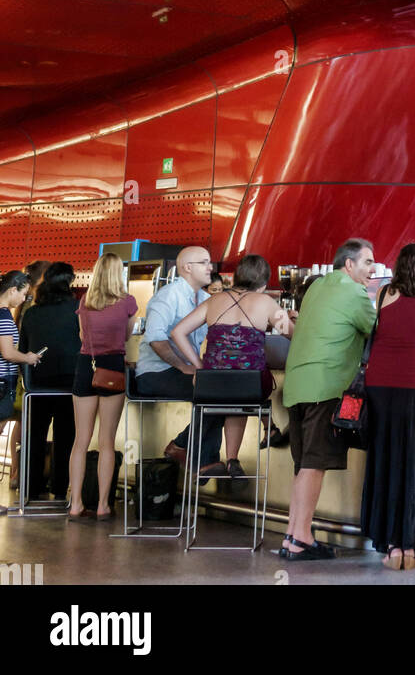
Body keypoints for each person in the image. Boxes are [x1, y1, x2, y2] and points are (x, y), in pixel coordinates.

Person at [279, 238, 376, 561]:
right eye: (366, 262)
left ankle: (292, 534)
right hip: (325, 386)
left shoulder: (316, 288)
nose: (371, 269)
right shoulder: (355, 292)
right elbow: (376, 330)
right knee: (314, 464)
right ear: (349, 265)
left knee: (303, 465)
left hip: (296, 386)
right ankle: (301, 538)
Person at [361, 243, 415, 570]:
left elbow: (380, 330)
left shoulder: (383, 292)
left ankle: (390, 544)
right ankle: (414, 543)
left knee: (386, 460)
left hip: (379, 386)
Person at [170, 253, 290, 478]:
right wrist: (290, 318)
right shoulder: (265, 302)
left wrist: (198, 365)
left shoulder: (214, 300)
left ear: (236, 276)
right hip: (250, 386)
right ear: (263, 283)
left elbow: (177, 332)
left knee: (232, 393)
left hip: (213, 385)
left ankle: (232, 459)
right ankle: (262, 435)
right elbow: (295, 335)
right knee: (242, 390)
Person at [136, 246, 225, 473]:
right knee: (215, 393)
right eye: (204, 262)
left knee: (223, 393)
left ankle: (191, 452)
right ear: (187, 268)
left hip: (183, 371)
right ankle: (196, 455)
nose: (210, 267)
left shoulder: (207, 299)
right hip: (154, 373)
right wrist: (183, 366)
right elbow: (155, 338)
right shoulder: (167, 296)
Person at [68, 253, 137, 520]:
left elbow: (82, 336)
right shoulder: (128, 302)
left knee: (80, 441)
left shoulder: (85, 301)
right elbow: (128, 335)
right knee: (106, 440)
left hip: (86, 366)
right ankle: (103, 505)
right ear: (118, 273)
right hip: (113, 367)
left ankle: (75, 504)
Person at [18, 262, 80, 502]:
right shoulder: (77, 309)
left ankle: (30, 488)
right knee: (66, 438)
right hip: (69, 382)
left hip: (37, 383)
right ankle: (60, 488)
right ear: (68, 283)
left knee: (34, 438)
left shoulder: (32, 312)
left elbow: (23, 350)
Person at [0, 271, 43, 516]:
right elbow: (7, 352)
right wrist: (27, 357)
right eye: (24, 294)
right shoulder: (5, 317)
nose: (24, 300)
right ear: (13, 289)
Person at [7, 260, 49, 490]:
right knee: (22, 422)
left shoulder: (23, 303)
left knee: (18, 422)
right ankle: (18, 472)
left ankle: (15, 471)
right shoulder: (34, 304)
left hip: (19, 368)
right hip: (27, 368)